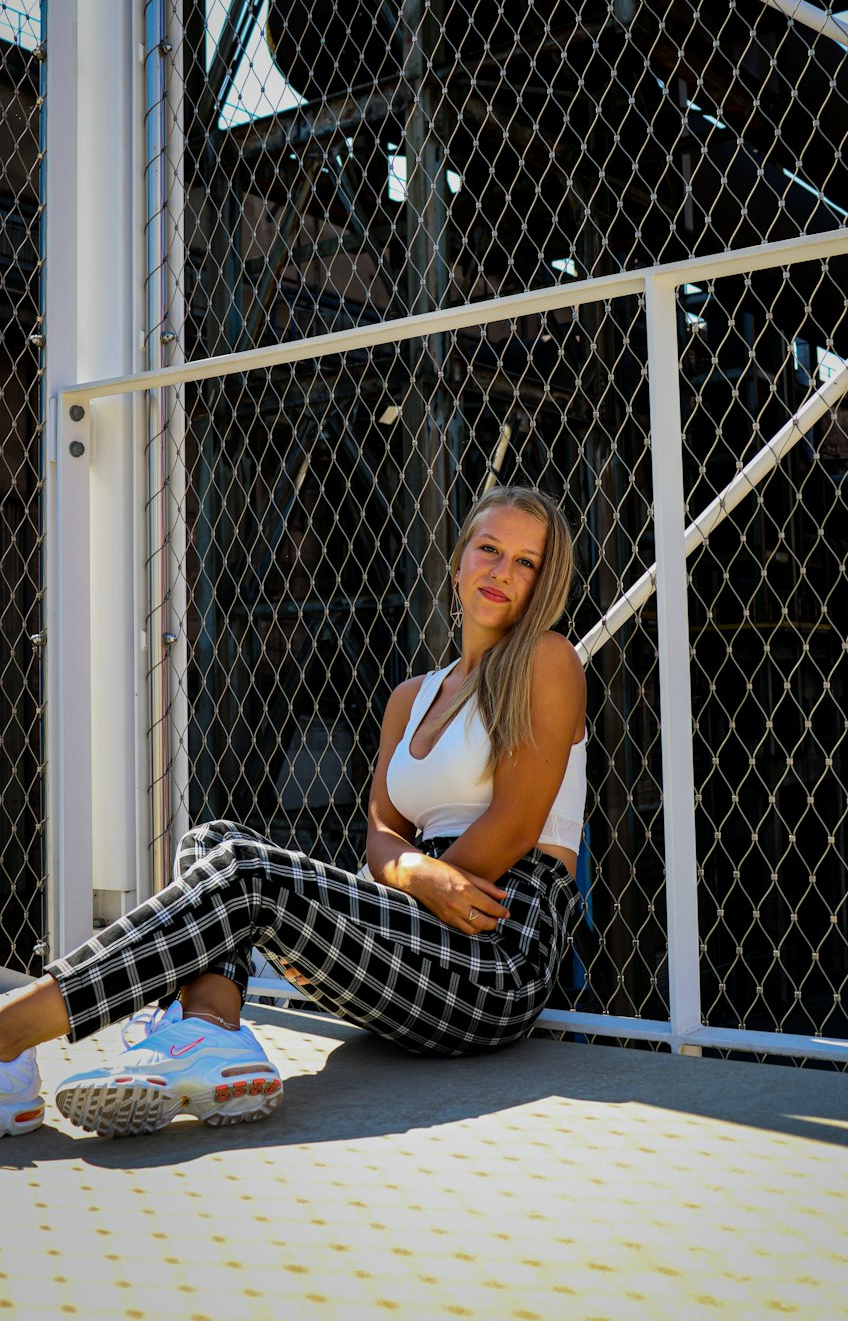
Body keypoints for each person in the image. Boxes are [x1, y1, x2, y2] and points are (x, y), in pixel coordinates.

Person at [0, 485, 587, 1139]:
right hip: (424, 917)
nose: (502, 571)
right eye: (489, 548)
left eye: (526, 562)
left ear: (546, 581)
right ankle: (211, 1031)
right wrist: (419, 878)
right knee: (210, 839)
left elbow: (514, 826)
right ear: (458, 561)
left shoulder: (546, 660)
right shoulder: (410, 697)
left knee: (245, 871)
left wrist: (408, 891)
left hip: (498, 944)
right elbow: (383, 835)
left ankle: (11, 1032)